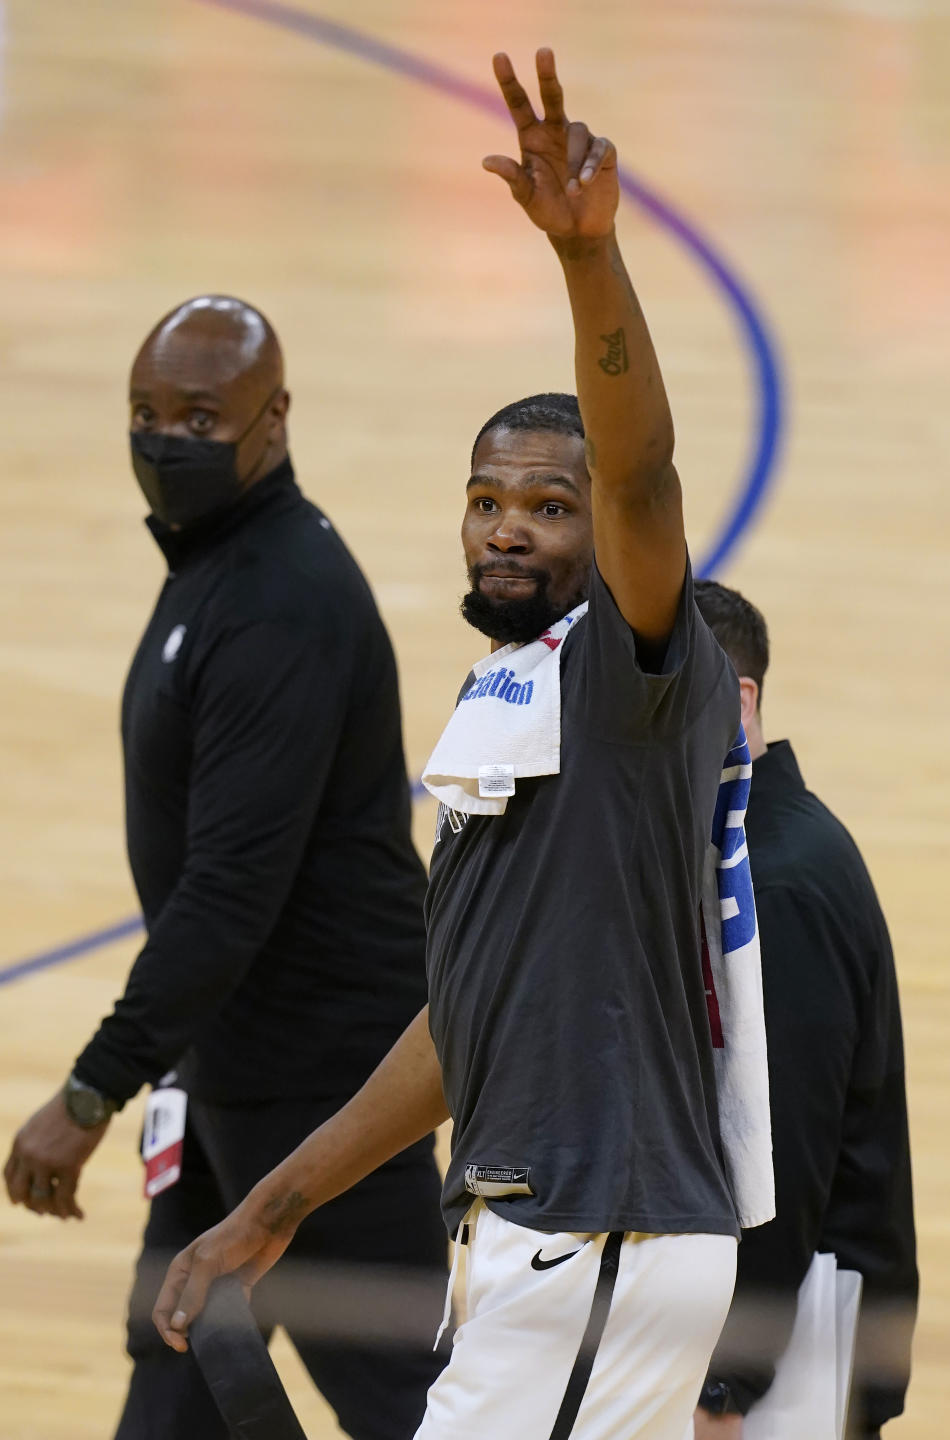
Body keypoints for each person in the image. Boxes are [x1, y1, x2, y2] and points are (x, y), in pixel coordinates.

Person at [152, 51, 773, 1440]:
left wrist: (589, 259)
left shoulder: (633, 670)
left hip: (599, 1235)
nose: (508, 524)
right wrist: (272, 1208)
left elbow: (642, 468)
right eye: (486, 498)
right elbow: (463, 1025)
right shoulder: (516, 697)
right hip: (547, 1240)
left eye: (547, 508)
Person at [2, 294, 449, 1440]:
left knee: (405, 1400)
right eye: (146, 414)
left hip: (327, 1083)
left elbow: (229, 892)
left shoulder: (276, 604)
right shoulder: (224, 561)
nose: (166, 441)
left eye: (200, 415)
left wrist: (95, 1087)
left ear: (274, 417)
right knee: (178, 1358)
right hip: (230, 1063)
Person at [692, 579, 918, 1440]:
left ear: (738, 699)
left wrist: (728, 1388)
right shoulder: (752, 847)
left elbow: (776, 1150)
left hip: (802, 1339)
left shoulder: (777, 885)